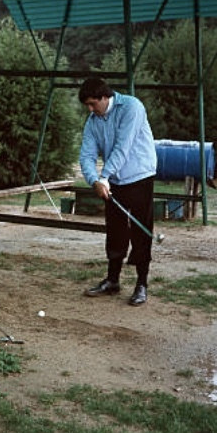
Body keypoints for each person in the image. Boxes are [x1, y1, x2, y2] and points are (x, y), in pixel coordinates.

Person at [78, 78, 158, 306]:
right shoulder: (93, 121)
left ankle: (141, 284)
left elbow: (123, 147)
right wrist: (95, 180)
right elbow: (86, 155)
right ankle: (112, 280)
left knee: (141, 231)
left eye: (93, 104)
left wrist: (104, 177)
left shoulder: (132, 107)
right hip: (114, 182)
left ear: (105, 97)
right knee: (115, 230)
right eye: (88, 106)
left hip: (139, 176)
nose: (91, 110)